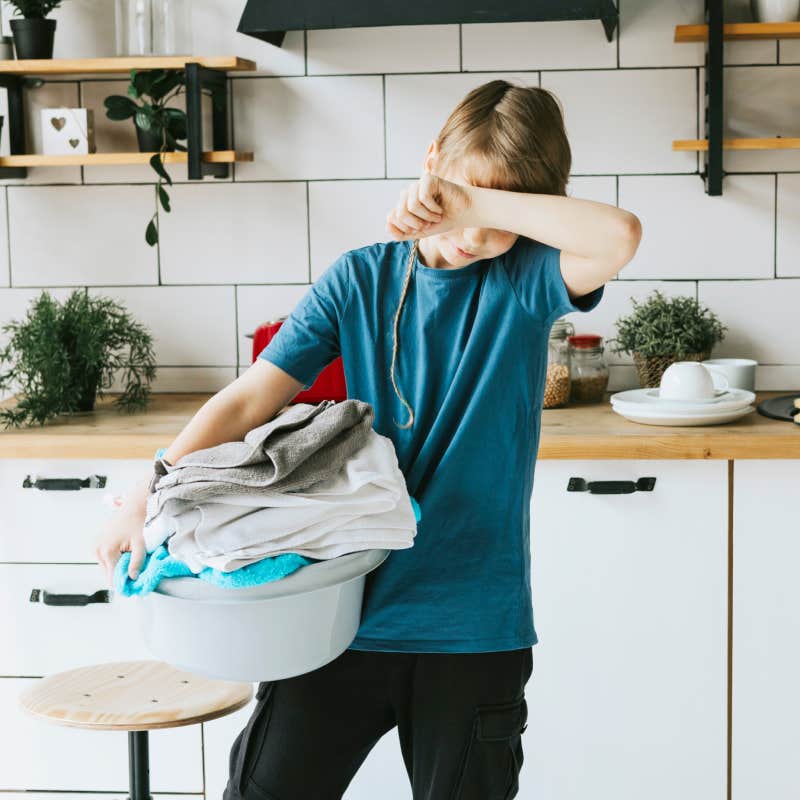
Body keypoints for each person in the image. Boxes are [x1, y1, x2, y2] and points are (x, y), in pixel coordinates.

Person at [94, 78, 641, 800]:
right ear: (430, 161)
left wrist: (474, 201)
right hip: (334, 614)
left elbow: (620, 236)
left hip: (471, 630)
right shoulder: (359, 279)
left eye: (497, 210)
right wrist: (148, 486)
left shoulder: (525, 281)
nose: (473, 234)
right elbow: (250, 399)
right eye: (463, 195)